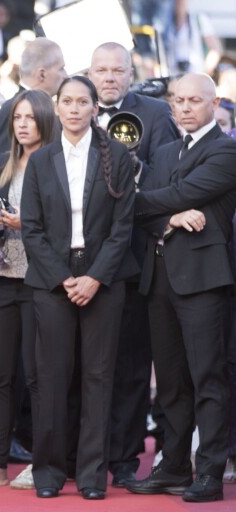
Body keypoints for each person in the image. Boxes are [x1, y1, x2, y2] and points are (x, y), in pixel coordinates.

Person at [21, 75, 137, 500]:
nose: (73, 109)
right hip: (53, 279)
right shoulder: (41, 159)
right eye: (66, 101)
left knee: (98, 376)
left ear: (94, 108)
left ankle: (92, 475)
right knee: (51, 377)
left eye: (81, 102)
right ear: (56, 105)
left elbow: (123, 227)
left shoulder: (117, 156)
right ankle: (49, 472)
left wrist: (95, 277)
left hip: (104, 277)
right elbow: (31, 229)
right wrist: (63, 278)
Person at [126, 73, 236, 503]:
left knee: (208, 375)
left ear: (213, 104)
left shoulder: (227, 151)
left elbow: (184, 190)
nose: (186, 107)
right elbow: (139, 208)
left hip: (205, 279)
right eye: (178, 100)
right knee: (170, 380)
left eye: (194, 100)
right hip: (160, 277)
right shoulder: (167, 149)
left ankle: (208, 470)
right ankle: (172, 464)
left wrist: (160, 201)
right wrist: (172, 215)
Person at [87, 41, 180, 488]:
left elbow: (167, 178)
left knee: (130, 361)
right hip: (79, 255)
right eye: (101, 70)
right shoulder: (72, 107)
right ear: (89, 73)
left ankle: (123, 458)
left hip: (135, 256)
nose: (109, 78)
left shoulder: (156, 114)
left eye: (117, 70)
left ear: (130, 73)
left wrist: (135, 170)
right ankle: (80, 453)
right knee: (80, 362)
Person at [0, 90, 56, 487]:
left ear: (45, 119)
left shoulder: (55, 163)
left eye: (30, 117)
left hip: (38, 281)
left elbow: (60, 226)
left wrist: (22, 223)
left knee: (36, 376)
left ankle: (43, 462)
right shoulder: (4, 162)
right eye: (16, 118)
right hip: (2, 275)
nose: (22, 124)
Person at [0, 37, 67, 153]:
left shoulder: (53, 110)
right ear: (42, 74)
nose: (66, 75)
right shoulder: (11, 109)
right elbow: (1, 163)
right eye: (61, 69)